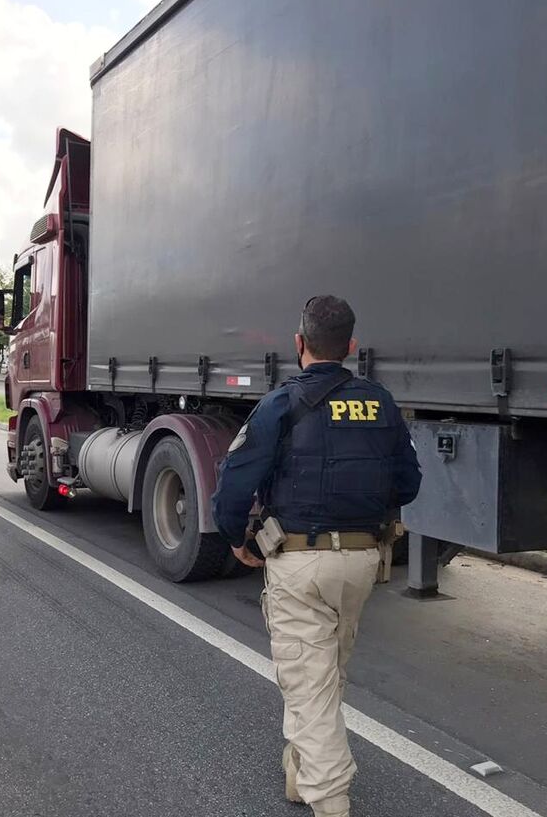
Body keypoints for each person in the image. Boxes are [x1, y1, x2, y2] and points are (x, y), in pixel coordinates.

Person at [212, 295, 422, 817]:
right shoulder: (381, 402)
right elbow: (409, 484)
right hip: (362, 563)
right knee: (324, 674)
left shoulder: (281, 404)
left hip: (300, 562)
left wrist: (235, 537)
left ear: (298, 344)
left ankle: (329, 797)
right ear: (351, 347)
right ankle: (299, 773)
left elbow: (236, 480)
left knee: (308, 683)